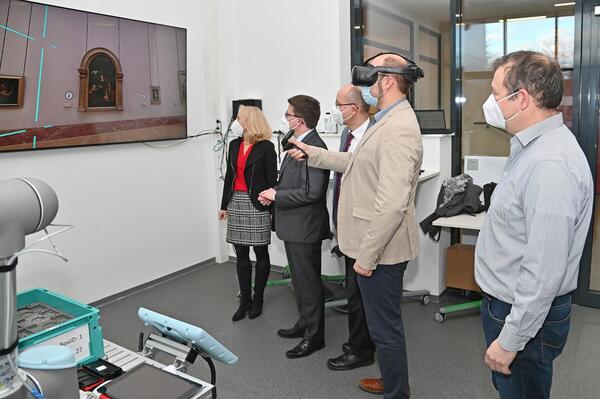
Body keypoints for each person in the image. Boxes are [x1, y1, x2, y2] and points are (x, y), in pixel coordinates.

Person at [287, 53, 423, 399]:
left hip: (380, 251)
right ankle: (392, 379)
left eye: (370, 79)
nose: (367, 89)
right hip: (372, 245)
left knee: (385, 329)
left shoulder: (399, 128)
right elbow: (354, 160)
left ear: (387, 81)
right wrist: (313, 153)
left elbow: (391, 204)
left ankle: (397, 393)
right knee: (382, 327)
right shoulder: (384, 121)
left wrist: (367, 256)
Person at [476, 51, 593, 399]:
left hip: (524, 315)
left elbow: (544, 270)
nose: (491, 103)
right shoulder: (531, 146)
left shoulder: (550, 163)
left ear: (521, 98)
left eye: (496, 94)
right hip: (511, 303)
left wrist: (510, 340)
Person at [258, 95, 331, 359]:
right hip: (293, 225)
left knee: (309, 284)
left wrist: (277, 196)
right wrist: (273, 191)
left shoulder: (314, 147)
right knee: (299, 283)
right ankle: (304, 323)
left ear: (299, 120)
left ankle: (315, 337)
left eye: (288, 114)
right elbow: (290, 183)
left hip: (305, 227)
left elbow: (312, 193)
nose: (285, 118)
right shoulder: (297, 142)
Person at [325, 84, 376, 372]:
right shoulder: (348, 134)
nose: (335, 109)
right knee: (355, 291)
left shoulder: (375, 135)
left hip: (365, 227)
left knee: (360, 294)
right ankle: (361, 340)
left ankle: (361, 350)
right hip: (347, 223)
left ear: (353, 108)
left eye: (339, 104)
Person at [219, 105, 278, 321]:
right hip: (236, 201)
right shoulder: (234, 145)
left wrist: (272, 210)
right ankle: (245, 300)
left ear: (249, 122)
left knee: (261, 253)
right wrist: (224, 205)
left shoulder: (266, 148)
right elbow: (229, 177)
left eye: (239, 118)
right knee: (241, 253)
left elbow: (273, 182)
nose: (236, 121)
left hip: (258, 203)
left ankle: (258, 298)